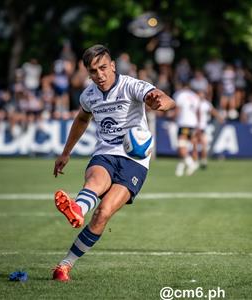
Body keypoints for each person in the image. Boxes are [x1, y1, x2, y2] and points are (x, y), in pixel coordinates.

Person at [51, 44, 175, 281]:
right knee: (96, 181)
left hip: (135, 160)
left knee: (103, 213)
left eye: (103, 68)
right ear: (88, 73)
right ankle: (77, 209)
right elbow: (81, 119)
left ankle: (65, 264)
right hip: (105, 152)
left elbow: (165, 99)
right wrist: (66, 153)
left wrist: (159, 102)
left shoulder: (131, 85)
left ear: (113, 66)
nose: (100, 75)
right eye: (94, 71)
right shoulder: (88, 95)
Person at [173, 78, 200, 177]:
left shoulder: (180, 95)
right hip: (193, 123)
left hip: (184, 122)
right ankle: (181, 167)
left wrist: (172, 117)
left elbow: (178, 109)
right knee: (188, 146)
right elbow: (198, 112)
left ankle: (191, 164)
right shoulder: (195, 96)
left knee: (181, 145)